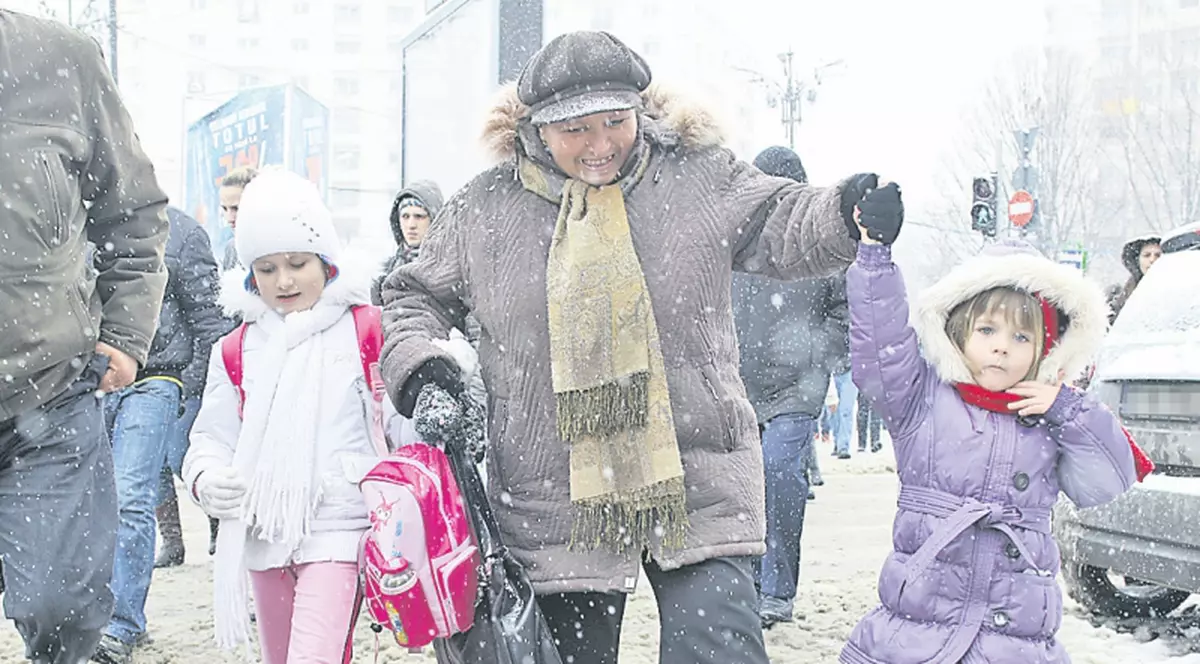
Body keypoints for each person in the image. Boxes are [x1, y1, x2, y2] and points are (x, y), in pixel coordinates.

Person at [381, 30, 885, 664]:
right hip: (553, 495)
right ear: (537, 128)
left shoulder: (697, 176)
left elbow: (780, 219)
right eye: (575, 131)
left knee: (719, 649)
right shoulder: (487, 207)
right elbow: (410, 296)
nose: (600, 146)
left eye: (615, 123)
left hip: (696, 473)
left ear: (639, 111)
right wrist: (426, 372)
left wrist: (846, 213)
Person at [840, 181, 1137, 663]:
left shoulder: (1052, 415)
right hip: (919, 630)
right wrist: (875, 257)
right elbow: (881, 348)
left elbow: (1107, 481)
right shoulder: (923, 400)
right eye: (987, 329)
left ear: (1047, 348)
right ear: (958, 331)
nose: (1002, 346)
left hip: (1012, 640)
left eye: (1022, 336)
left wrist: (1068, 410)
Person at [0, 9, 170, 663]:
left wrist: (126, 335)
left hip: (48, 398)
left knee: (59, 608)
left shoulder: (61, 60)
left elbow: (132, 212)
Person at [183, 170, 393, 663]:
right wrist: (206, 478)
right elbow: (211, 437)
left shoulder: (366, 330)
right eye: (266, 268)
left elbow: (401, 429)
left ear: (326, 262)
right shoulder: (235, 349)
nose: (284, 281)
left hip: (341, 527)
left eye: (297, 263)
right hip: (262, 535)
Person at [89, 207, 231, 663]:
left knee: (132, 494)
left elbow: (209, 318)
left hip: (156, 377)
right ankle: (93, 618)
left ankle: (121, 624)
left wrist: (190, 385)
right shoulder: (77, 223)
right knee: (90, 502)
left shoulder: (182, 231)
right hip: (85, 380)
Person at [733, 145, 849, 627]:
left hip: (796, 390)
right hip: (739, 387)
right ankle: (751, 585)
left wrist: (818, 353)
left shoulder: (822, 245)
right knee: (743, 490)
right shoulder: (736, 241)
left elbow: (844, 315)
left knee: (780, 475)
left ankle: (777, 590)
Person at [152, 208, 237, 572]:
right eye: (226, 207)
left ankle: (215, 517)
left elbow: (209, 318)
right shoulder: (101, 227)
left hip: (181, 372)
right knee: (149, 468)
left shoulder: (183, 232)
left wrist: (198, 374)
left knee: (178, 455)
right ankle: (172, 541)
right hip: (134, 369)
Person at [371, 181, 444, 306]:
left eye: (419, 216)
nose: (411, 225)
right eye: (405, 216)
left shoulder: (451, 270)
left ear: (434, 220)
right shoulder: (385, 274)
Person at [1106, 234, 1161, 324]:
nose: (1152, 259)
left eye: (1158, 255)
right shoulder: (1121, 296)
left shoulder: (1173, 293)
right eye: (1146, 255)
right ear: (1137, 260)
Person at [218, 166, 259, 272]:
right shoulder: (231, 250)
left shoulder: (278, 250)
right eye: (224, 208)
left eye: (236, 208)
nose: (229, 218)